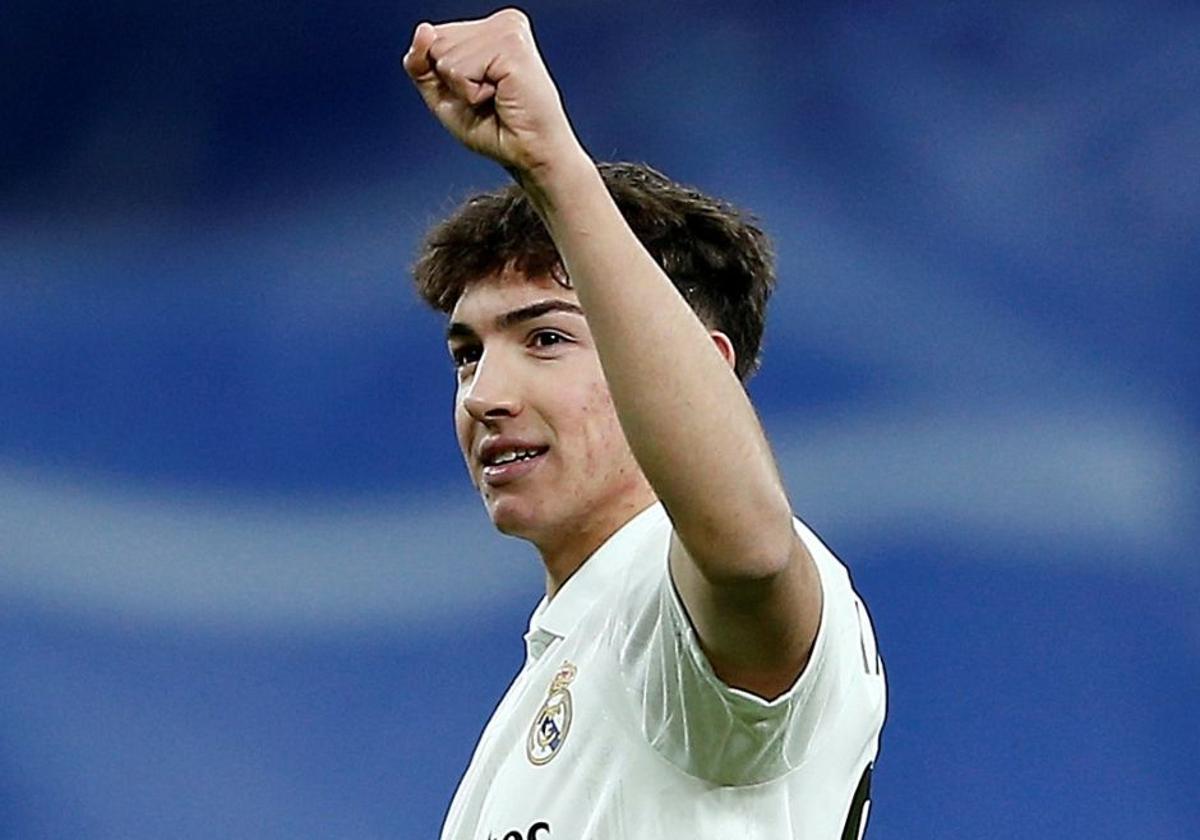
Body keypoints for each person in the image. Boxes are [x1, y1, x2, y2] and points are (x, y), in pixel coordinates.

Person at [403, 9, 885, 839]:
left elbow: (751, 556)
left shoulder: (673, 610)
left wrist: (553, 164)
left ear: (701, 362)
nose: (485, 394)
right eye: (467, 354)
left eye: (547, 337)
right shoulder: (561, 661)